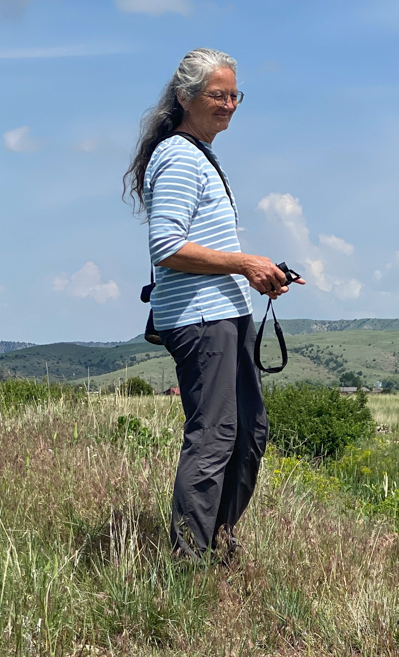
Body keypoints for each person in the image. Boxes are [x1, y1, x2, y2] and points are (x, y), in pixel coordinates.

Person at [123, 47, 305, 560]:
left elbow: (196, 247)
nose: (229, 104)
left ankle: (216, 543)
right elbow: (168, 247)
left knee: (248, 432)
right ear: (185, 97)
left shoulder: (199, 154)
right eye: (217, 95)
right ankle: (189, 562)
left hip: (222, 315)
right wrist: (246, 265)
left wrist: (260, 274)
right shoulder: (179, 156)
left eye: (234, 95)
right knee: (215, 438)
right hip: (203, 321)